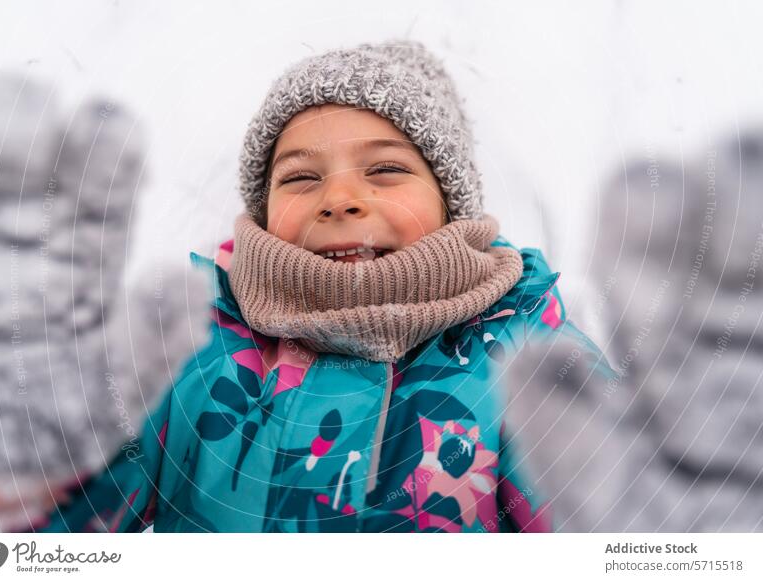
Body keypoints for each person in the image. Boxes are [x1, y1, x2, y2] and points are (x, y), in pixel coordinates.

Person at [35, 39, 615, 533]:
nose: (339, 199)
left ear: (449, 205)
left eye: (386, 169)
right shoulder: (188, 346)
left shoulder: (526, 353)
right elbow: (44, 522)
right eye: (301, 177)